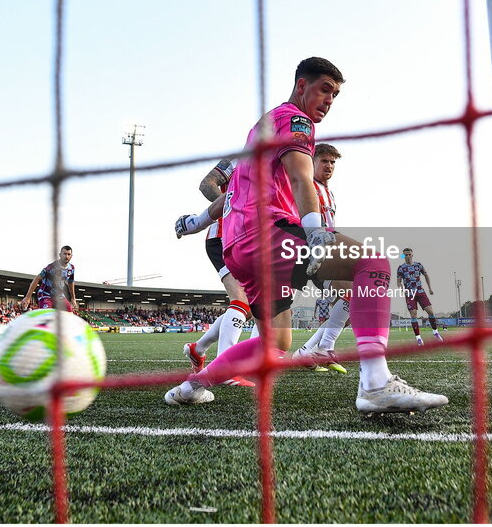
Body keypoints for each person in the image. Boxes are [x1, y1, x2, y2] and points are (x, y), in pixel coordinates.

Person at [165, 57, 447, 414]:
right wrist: (315, 233)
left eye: (335, 94)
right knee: (372, 262)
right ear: (301, 86)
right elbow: (301, 177)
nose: (329, 100)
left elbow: (230, 193)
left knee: (275, 343)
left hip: (238, 248)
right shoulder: (295, 120)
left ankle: (192, 386)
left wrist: (194, 223)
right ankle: (376, 383)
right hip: (267, 235)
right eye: (324, 89)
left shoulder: (258, 133)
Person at [175, 157, 256, 387]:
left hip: (249, 241)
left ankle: (197, 349)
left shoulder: (281, 167)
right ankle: (225, 368)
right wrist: (230, 209)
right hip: (223, 237)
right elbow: (207, 184)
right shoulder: (239, 161)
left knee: (248, 309)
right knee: (240, 301)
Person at [289, 143, 349, 373]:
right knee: (276, 309)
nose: (329, 165)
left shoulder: (329, 192)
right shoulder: (305, 187)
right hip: (301, 252)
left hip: (325, 253)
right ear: (311, 162)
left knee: (355, 293)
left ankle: (312, 350)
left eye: (332, 162)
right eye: (324, 161)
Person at [396, 248, 441, 345]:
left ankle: (435, 332)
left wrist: (429, 288)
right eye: (405, 255)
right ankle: (419, 338)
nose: (407, 256)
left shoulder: (418, 265)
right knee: (413, 315)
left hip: (420, 292)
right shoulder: (401, 268)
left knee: (431, 311)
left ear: (412, 255)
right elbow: (399, 281)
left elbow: (426, 275)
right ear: (403, 256)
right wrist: (402, 290)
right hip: (410, 294)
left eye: (409, 254)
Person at [21, 246, 78, 312]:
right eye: (64, 254)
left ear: (71, 256)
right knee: (47, 314)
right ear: (60, 255)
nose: (67, 256)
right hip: (46, 294)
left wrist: (73, 298)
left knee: (69, 313)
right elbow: (37, 279)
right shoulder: (51, 267)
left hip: (59, 296)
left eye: (69, 254)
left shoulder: (71, 268)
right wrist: (28, 297)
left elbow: (71, 282)